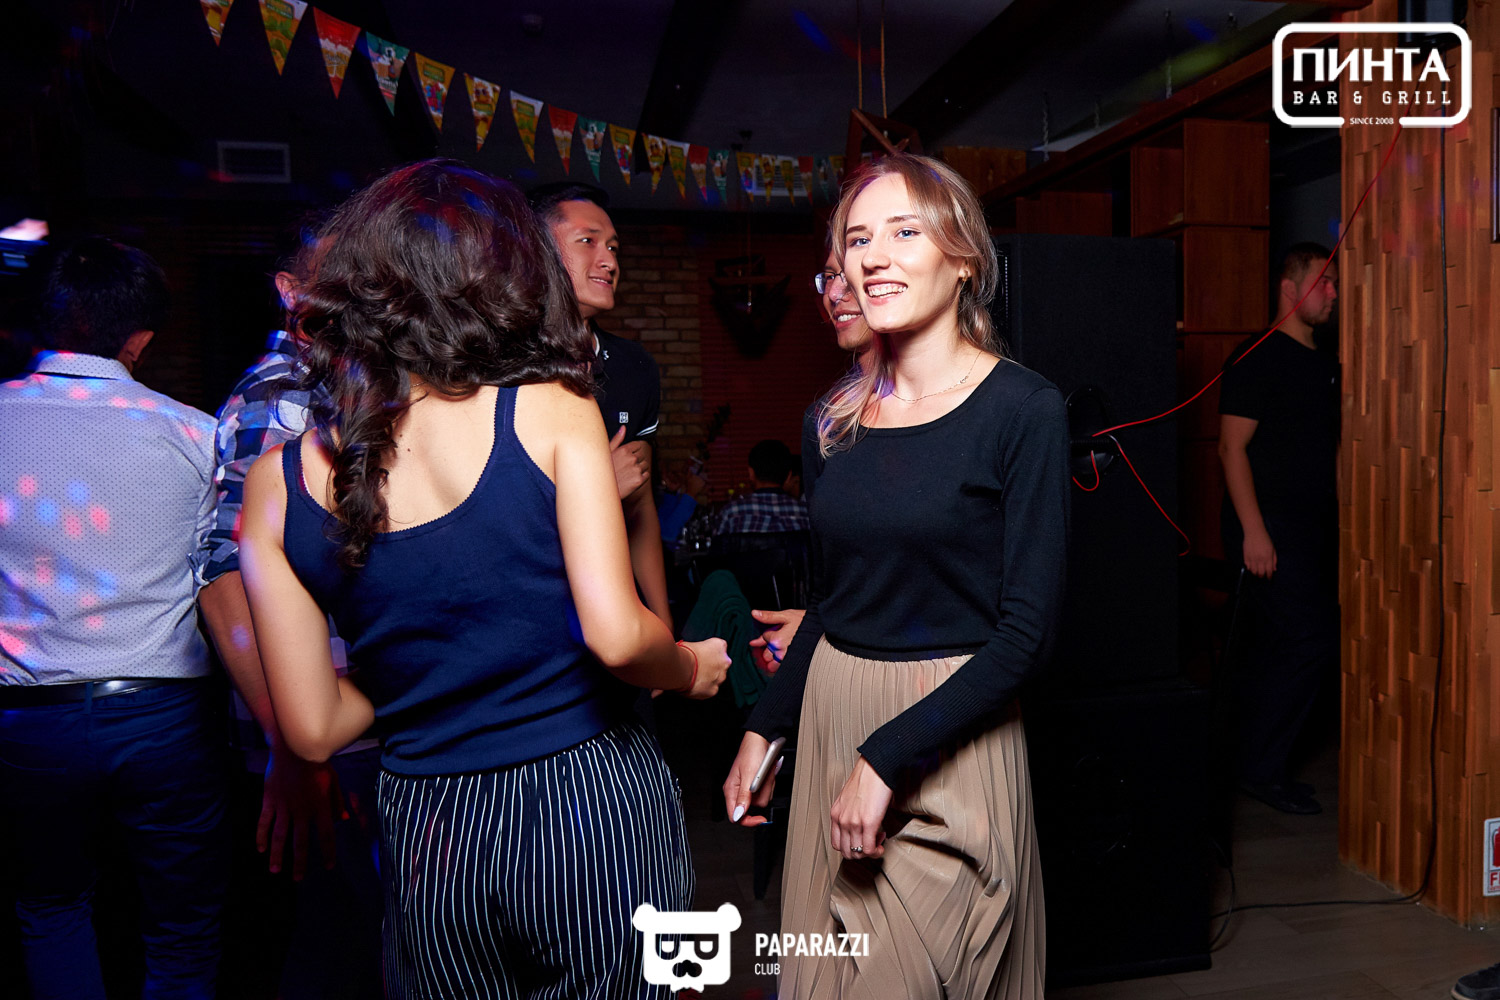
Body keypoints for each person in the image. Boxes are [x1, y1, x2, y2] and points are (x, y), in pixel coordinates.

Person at [236, 160, 729, 999]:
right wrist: (689, 665)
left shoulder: (276, 485)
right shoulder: (550, 406)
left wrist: (426, 667)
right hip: (586, 799)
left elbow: (313, 729)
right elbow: (616, 637)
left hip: (430, 827)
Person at [723, 153, 1066, 999]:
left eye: (904, 232)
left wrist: (884, 758)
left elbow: (1028, 633)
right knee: (825, 978)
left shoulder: (1023, 411)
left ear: (964, 259)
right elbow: (833, 604)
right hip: (834, 708)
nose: (871, 257)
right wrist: (766, 727)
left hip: (954, 728)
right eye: (857, 239)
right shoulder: (831, 422)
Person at [0, 237, 228, 998]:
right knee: (181, 924)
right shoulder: (195, 432)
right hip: (164, 714)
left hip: (28, 715)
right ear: (140, 338)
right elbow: (221, 574)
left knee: (51, 904)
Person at [198, 230, 383, 999]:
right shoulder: (283, 395)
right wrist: (291, 744)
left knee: (351, 942)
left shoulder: (342, 384)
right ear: (289, 288)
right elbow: (223, 574)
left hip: (341, 726)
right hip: (327, 739)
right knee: (346, 948)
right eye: (335, 266)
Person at [1218, 242, 1340, 816]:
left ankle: (1260, 765)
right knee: (1306, 641)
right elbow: (1231, 448)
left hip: (1311, 528)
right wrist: (1254, 531)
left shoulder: (1325, 362)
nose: (1333, 293)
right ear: (1291, 289)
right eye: (1324, 282)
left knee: (1288, 646)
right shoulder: (1257, 356)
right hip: (1270, 528)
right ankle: (1260, 770)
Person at [530, 182, 672, 626]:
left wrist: (664, 625)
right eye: (587, 241)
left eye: (612, 247)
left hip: (615, 616)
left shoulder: (634, 367)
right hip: (534, 616)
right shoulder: (503, 366)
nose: (609, 261)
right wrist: (598, 486)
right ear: (538, 253)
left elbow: (640, 505)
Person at [748, 252, 874, 671]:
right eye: (829, 276)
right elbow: (833, 586)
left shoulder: (1006, 406)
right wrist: (814, 630)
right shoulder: (824, 422)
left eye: (851, 273)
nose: (834, 293)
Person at [713, 439, 810, 538]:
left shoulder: (731, 513)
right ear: (788, 476)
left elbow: (717, 546)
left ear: (751, 473)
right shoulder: (806, 513)